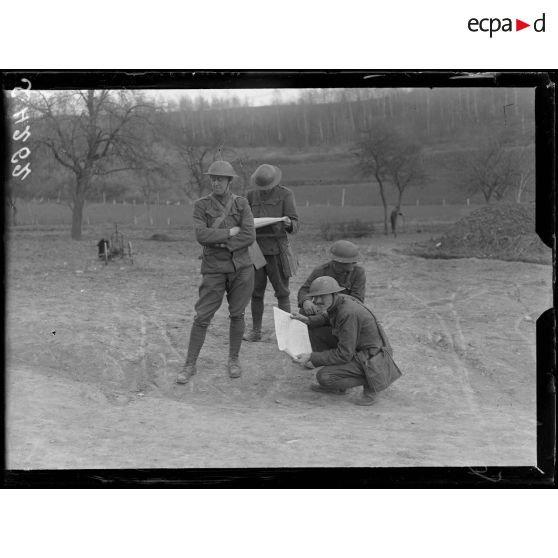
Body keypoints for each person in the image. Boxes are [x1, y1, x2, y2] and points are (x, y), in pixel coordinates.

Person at [177, 160, 256, 384]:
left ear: (229, 181)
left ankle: (233, 360)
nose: (216, 182)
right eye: (213, 178)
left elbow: (249, 235)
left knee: (237, 315)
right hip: (213, 269)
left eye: (220, 178)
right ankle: (189, 364)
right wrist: (231, 232)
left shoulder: (241, 204)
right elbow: (201, 236)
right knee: (202, 317)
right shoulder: (201, 205)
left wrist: (222, 242)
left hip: (241, 267)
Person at [291, 276, 401, 406]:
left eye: (322, 296)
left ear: (333, 294)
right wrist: (308, 320)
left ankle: (371, 382)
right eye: (315, 297)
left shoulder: (348, 313)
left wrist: (312, 356)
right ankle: (342, 384)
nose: (317, 301)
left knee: (325, 377)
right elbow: (329, 317)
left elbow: (344, 354)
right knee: (317, 333)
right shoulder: (340, 300)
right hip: (359, 350)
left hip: (373, 358)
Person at [243, 163, 299, 342]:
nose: (264, 191)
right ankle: (256, 331)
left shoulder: (286, 194)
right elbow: (244, 219)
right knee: (255, 292)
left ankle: (285, 335)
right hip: (256, 250)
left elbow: (295, 223)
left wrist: (289, 224)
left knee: (282, 292)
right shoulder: (251, 195)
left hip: (277, 250)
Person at [297, 240, 366, 351]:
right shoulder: (320, 271)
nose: (355, 264)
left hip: (343, 312)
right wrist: (306, 301)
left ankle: (337, 344)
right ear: (339, 262)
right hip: (322, 311)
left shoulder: (358, 272)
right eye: (351, 262)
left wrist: (331, 309)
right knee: (304, 312)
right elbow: (304, 290)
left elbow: (358, 300)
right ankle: (314, 342)